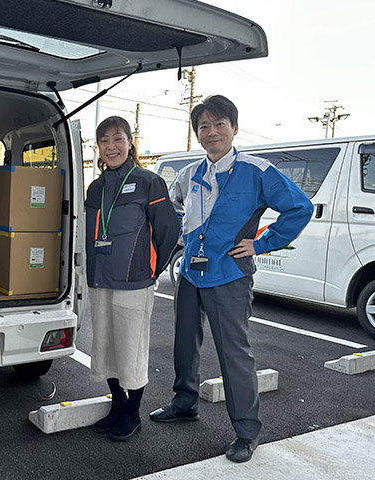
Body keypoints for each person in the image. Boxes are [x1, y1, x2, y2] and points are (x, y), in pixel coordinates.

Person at [149, 95, 313, 463]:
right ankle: (184, 401)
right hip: (191, 272)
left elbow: (300, 207)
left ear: (234, 128)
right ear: (197, 134)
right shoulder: (190, 173)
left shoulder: (257, 169)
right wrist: (180, 237)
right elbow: (178, 211)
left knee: (234, 354)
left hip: (229, 275)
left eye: (219, 124)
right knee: (183, 343)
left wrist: (262, 243)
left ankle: (246, 431)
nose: (211, 132)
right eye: (203, 127)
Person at [85, 116, 180, 442]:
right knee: (106, 347)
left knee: (131, 350)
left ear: (130, 143)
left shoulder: (148, 182)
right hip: (100, 280)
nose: (111, 147)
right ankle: (118, 405)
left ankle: (132, 413)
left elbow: (169, 230)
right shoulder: (95, 188)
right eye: (104, 141)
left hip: (134, 282)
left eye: (117, 139)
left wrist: (151, 269)